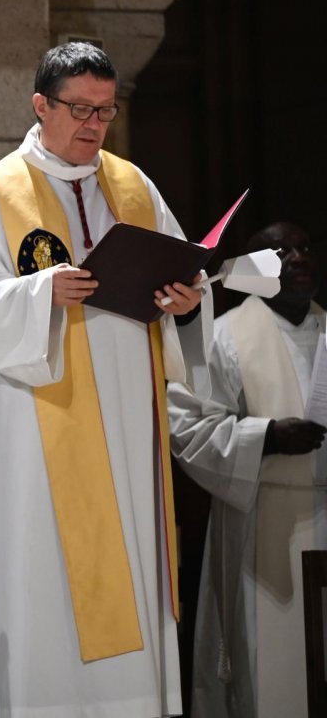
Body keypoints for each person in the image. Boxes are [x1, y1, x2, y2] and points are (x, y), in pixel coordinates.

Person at [0, 42, 211, 717]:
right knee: (46, 580)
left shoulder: (131, 185)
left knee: (131, 556)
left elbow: (181, 272)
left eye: (105, 110)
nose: (94, 124)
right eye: (80, 109)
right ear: (41, 106)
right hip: (38, 423)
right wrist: (38, 294)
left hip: (125, 423)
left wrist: (185, 301)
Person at [168, 221, 326, 718]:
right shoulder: (226, 335)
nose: (297, 258)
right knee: (271, 674)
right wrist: (267, 439)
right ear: (253, 272)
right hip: (262, 518)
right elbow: (189, 427)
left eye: (303, 247)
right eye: (280, 251)